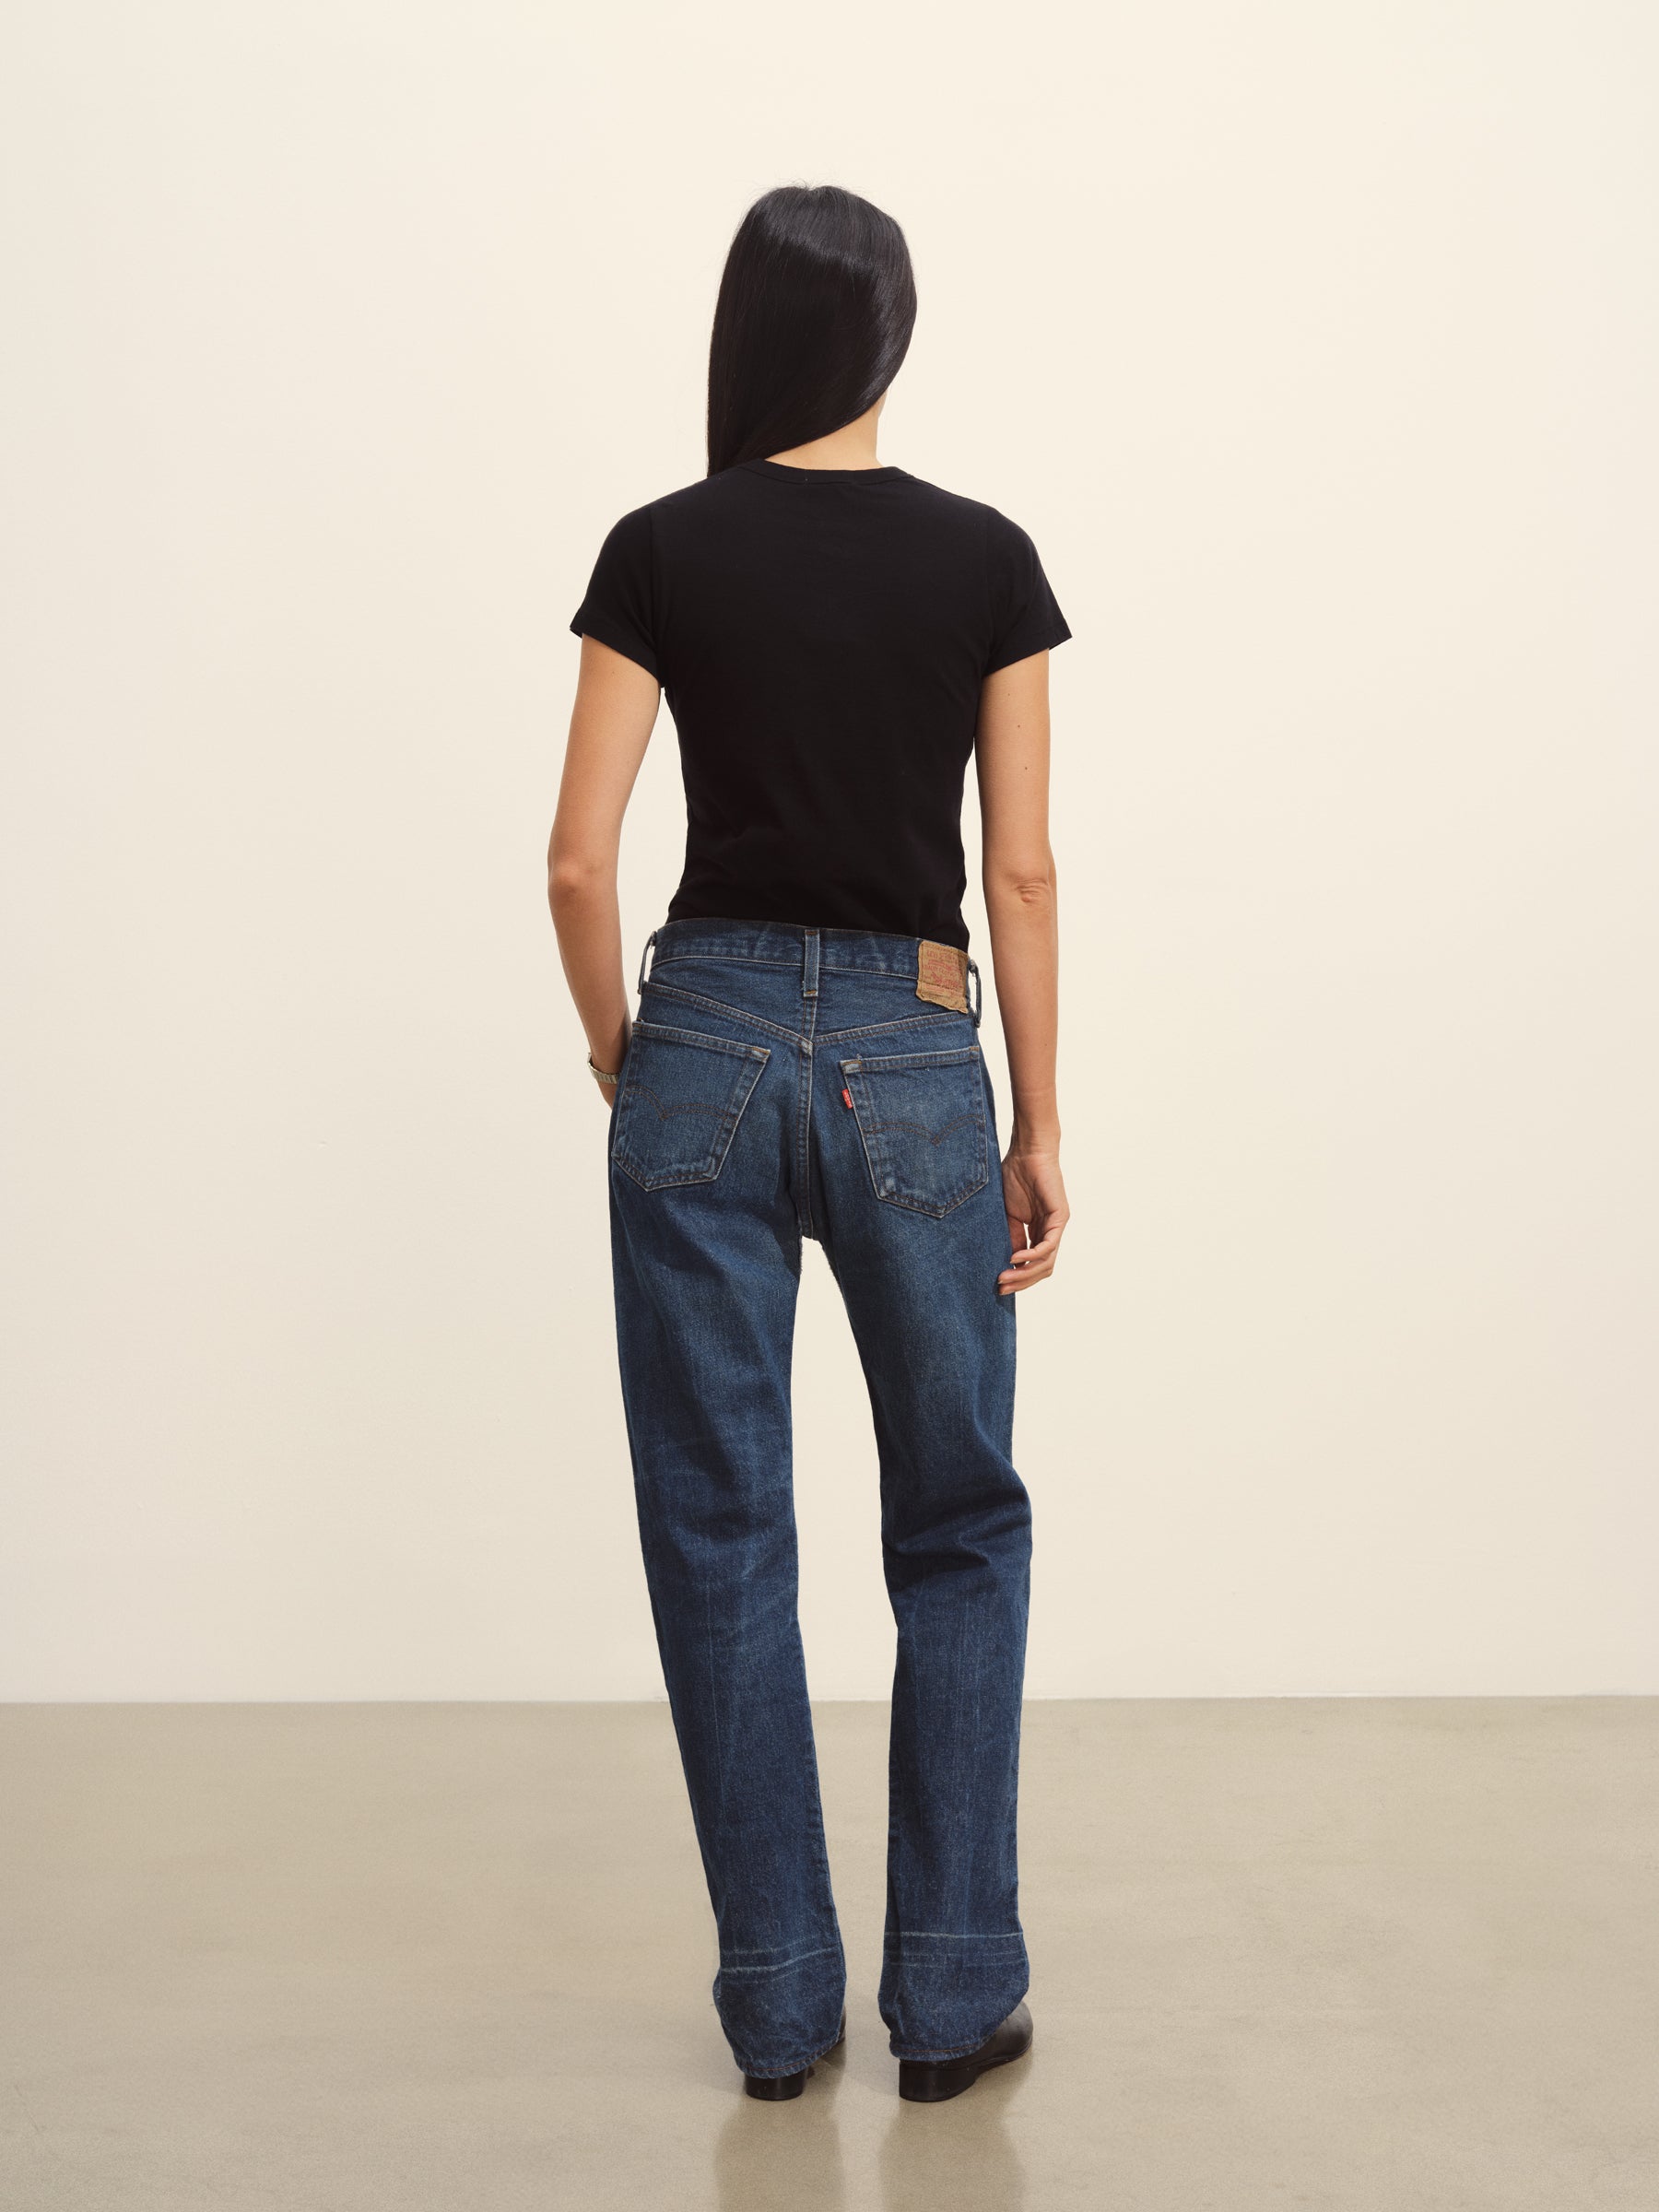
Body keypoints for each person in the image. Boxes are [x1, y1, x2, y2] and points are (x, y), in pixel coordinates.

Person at [547, 182, 1071, 2104]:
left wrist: (628, 1053)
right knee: (958, 1519)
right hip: (921, 1055)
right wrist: (1040, 1119)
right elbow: (1020, 868)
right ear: (890, 338)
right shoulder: (987, 559)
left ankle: (778, 2013)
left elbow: (577, 860)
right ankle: (951, 1998)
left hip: (702, 1038)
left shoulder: (661, 547)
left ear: (748, 333)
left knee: (719, 1528)